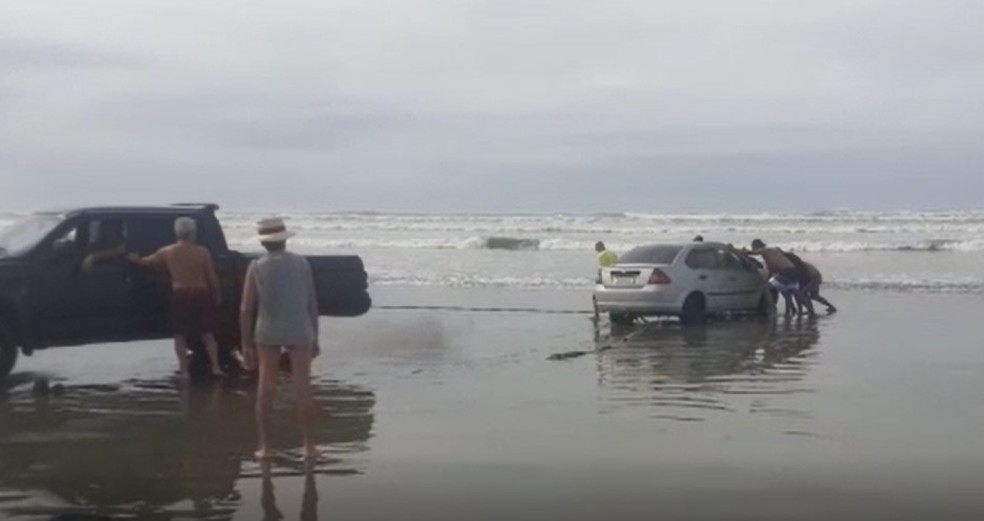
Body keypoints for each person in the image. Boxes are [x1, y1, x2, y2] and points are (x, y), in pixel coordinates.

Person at [240, 217, 320, 460]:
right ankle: (309, 446)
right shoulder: (301, 263)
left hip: (268, 329)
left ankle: (265, 446)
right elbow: (311, 302)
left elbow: (246, 308)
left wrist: (245, 343)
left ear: (264, 243)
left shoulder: (256, 266)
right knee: (302, 390)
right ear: (284, 239)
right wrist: (315, 336)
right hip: (299, 328)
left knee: (266, 389)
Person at [128, 217, 224, 379]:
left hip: (180, 294)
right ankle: (215, 367)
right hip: (201, 293)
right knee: (207, 334)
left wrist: (134, 259)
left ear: (177, 233)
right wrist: (217, 294)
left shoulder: (168, 251)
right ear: (193, 233)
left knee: (180, 334)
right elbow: (212, 278)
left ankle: (184, 371)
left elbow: (146, 262)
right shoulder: (202, 252)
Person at [748, 239, 799, 315]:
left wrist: (738, 251)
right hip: (793, 269)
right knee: (785, 291)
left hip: (785, 271)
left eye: (753, 247)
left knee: (767, 288)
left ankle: (773, 308)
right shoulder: (774, 250)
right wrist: (767, 279)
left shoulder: (764, 251)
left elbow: (752, 253)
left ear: (756, 246)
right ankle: (791, 308)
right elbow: (772, 270)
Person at [782, 251, 816, 316]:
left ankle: (810, 311)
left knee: (801, 294)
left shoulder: (792, 263)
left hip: (805, 277)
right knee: (799, 294)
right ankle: (805, 310)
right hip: (804, 277)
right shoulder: (794, 261)